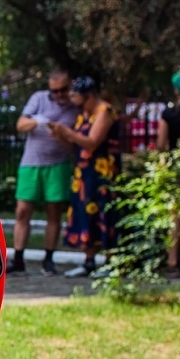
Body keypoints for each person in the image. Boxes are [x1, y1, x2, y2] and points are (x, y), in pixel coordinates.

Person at [49, 77, 120, 278]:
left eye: (78, 98)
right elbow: (77, 146)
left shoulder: (104, 111)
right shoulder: (84, 115)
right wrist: (61, 136)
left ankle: (109, 262)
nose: (76, 103)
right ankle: (88, 261)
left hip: (103, 173)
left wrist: (68, 132)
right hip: (84, 173)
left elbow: (92, 142)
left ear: (90, 95)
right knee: (85, 213)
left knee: (104, 213)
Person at [9, 70, 78, 275]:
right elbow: (21, 124)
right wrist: (40, 121)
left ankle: (49, 259)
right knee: (22, 210)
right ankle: (18, 258)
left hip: (58, 164)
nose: (58, 95)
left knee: (54, 211)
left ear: (70, 86)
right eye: (54, 91)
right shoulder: (39, 99)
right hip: (31, 162)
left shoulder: (75, 109)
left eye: (63, 90)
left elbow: (73, 147)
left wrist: (60, 135)